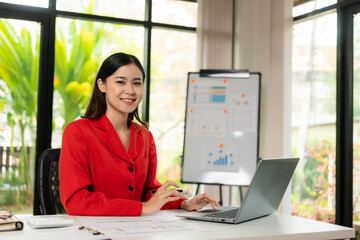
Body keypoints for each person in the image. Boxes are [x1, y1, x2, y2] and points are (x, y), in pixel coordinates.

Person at [59, 52, 219, 216]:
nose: (130, 90)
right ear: (102, 85)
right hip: (94, 231)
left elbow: (148, 191)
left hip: (135, 229)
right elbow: (75, 200)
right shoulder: (78, 131)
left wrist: (183, 203)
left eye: (137, 83)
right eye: (120, 82)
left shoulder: (144, 136)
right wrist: (142, 208)